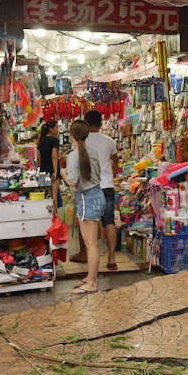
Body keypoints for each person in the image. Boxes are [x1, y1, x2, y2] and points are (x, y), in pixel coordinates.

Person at [69, 110, 120, 270]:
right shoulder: (109, 141)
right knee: (109, 221)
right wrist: (112, 170)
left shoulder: (80, 141)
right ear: (100, 123)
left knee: (86, 224)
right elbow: (116, 160)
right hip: (107, 186)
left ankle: (84, 255)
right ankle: (111, 258)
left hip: (88, 189)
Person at [60, 120, 105, 294]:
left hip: (87, 198)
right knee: (91, 243)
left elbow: (72, 181)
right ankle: (90, 277)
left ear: (71, 135)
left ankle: (92, 283)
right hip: (96, 194)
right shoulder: (91, 151)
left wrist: (63, 173)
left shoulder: (73, 155)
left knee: (91, 244)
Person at [37, 119, 61, 215]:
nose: (57, 130)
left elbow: (38, 158)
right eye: (56, 127)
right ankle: (55, 216)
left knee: (46, 195)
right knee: (54, 196)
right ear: (51, 129)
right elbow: (54, 156)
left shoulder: (41, 140)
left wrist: (39, 170)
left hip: (43, 171)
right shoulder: (54, 141)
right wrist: (55, 171)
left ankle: (45, 215)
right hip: (52, 170)